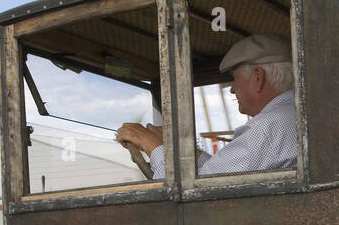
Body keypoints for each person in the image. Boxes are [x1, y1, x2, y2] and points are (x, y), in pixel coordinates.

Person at [116, 33, 297, 179]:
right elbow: (218, 175)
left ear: (258, 77)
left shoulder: (267, 128)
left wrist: (150, 144)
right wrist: (177, 148)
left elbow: (191, 199)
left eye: (235, 79)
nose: (232, 89)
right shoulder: (290, 117)